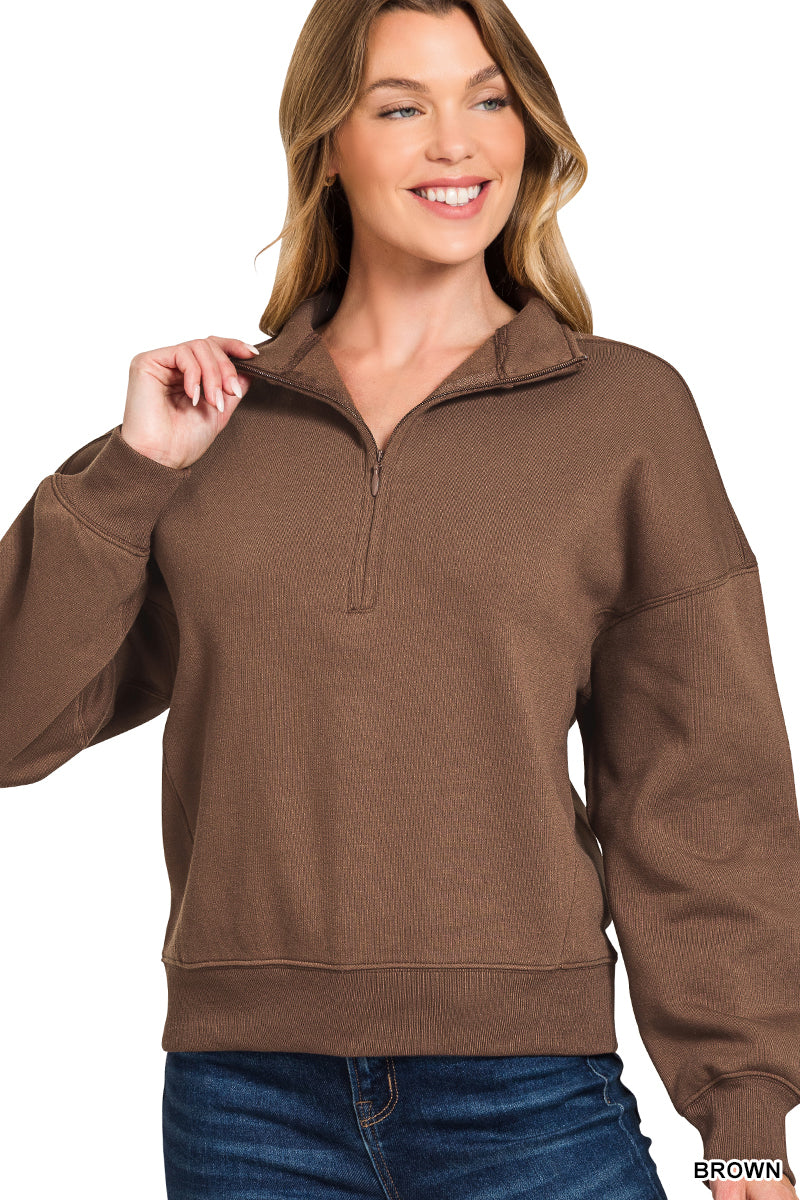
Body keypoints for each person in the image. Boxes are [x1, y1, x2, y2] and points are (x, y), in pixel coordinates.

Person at [1, 1, 798, 1197]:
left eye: (487, 99)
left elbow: (700, 787)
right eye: (398, 107)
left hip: (527, 1097)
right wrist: (132, 475)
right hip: (244, 1108)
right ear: (326, 143)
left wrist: (742, 1115)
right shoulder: (206, 424)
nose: (454, 141)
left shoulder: (623, 415)